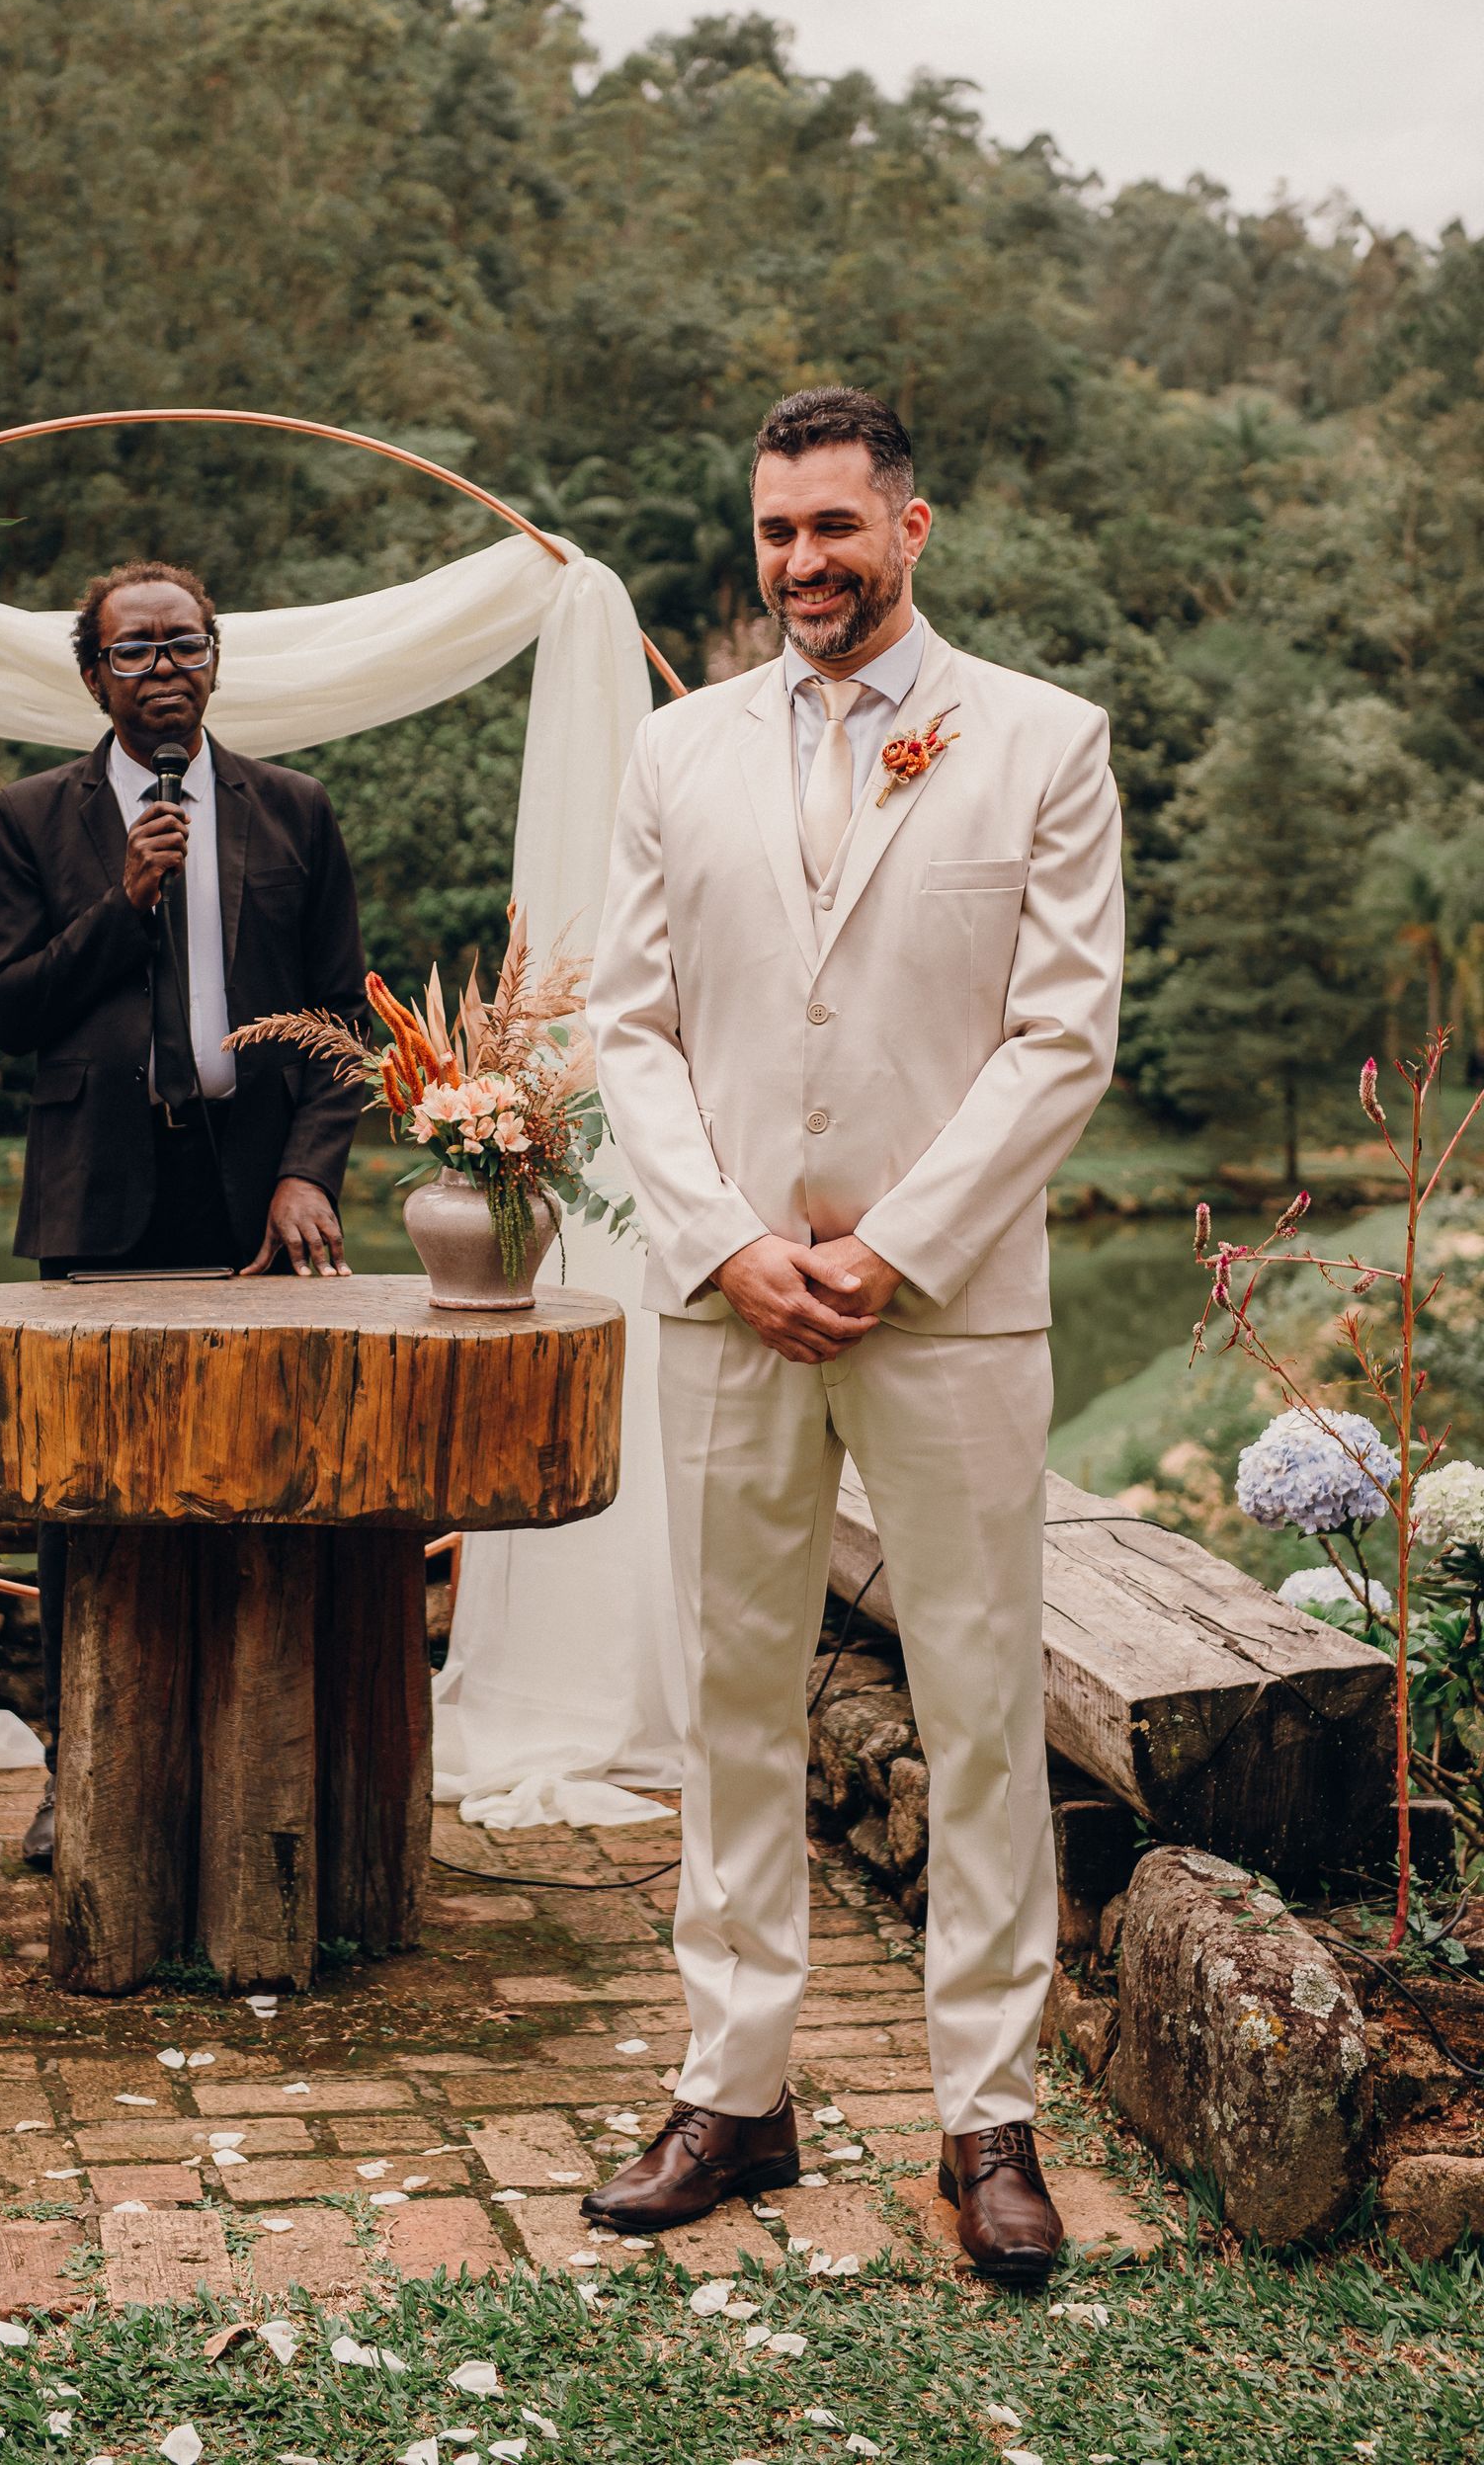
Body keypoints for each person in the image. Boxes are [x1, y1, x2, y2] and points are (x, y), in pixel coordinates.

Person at [583, 387, 1123, 2285]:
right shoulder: (674, 756)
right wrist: (728, 1239)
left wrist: (892, 1248)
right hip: (728, 1306)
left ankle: (990, 2120)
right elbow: (626, 1026)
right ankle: (735, 2094)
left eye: (836, 527)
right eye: (775, 533)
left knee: (978, 1712)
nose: (802, 563)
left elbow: (1064, 1037)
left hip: (950, 1310)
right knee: (732, 1703)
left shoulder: (1044, 745)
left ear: (914, 529)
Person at [0, 560, 367, 1869]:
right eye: (132, 654)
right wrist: (123, 902)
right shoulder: (35, 818)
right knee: (84, 1489)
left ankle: (258, 1759)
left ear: (217, 657)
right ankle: (71, 1762)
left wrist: (311, 1168)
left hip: (251, 1195)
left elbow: (342, 1022)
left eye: (183, 646)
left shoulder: (295, 812)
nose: (162, 672)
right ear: (92, 675)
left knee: (267, 1471)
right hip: (99, 1192)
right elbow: (10, 1010)